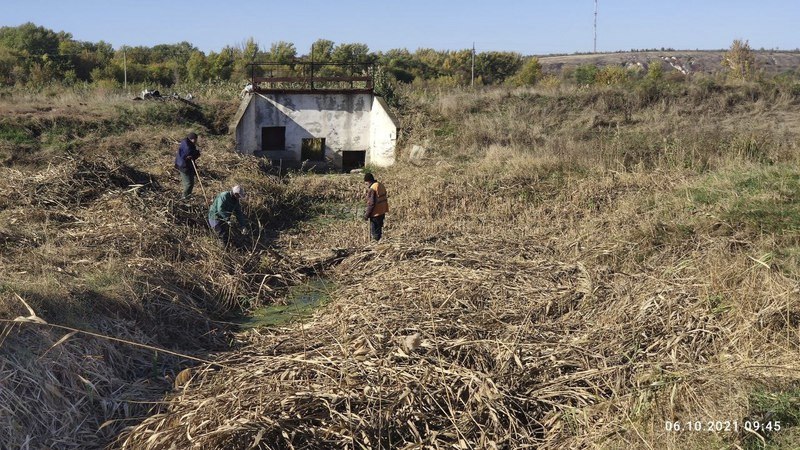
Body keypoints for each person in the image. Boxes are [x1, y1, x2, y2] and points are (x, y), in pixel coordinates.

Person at [174, 132, 200, 200]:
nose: (195, 141)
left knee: (190, 182)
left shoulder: (190, 144)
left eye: (196, 139)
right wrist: (195, 152)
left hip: (188, 165)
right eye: (194, 139)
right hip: (184, 166)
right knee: (189, 183)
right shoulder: (186, 144)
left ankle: (187, 196)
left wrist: (195, 153)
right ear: (191, 139)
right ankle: (184, 198)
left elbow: (194, 155)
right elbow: (189, 153)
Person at [363, 173, 388, 241]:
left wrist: (367, 215)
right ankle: (379, 243)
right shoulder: (380, 185)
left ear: (368, 181)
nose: (366, 186)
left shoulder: (372, 188)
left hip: (376, 213)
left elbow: (371, 204)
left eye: (366, 183)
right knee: (379, 230)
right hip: (382, 210)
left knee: (375, 233)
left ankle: (375, 246)